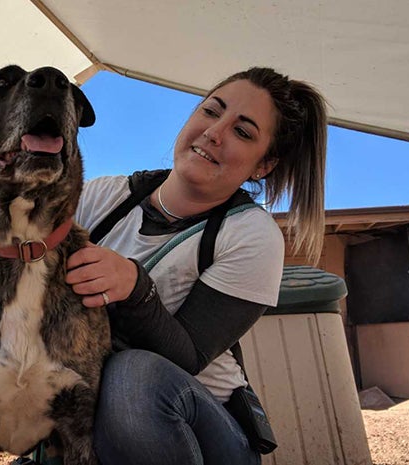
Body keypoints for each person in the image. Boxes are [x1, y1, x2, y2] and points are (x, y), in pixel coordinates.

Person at [65, 67, 327, 465]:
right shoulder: (101, 196)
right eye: (210, 112)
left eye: (243, 132)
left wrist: (137, 288)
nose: (214, 133)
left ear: (264, 165)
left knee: (134, 376)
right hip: (94, 422)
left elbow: (187, 357)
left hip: (207, 434)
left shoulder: (251, 235)